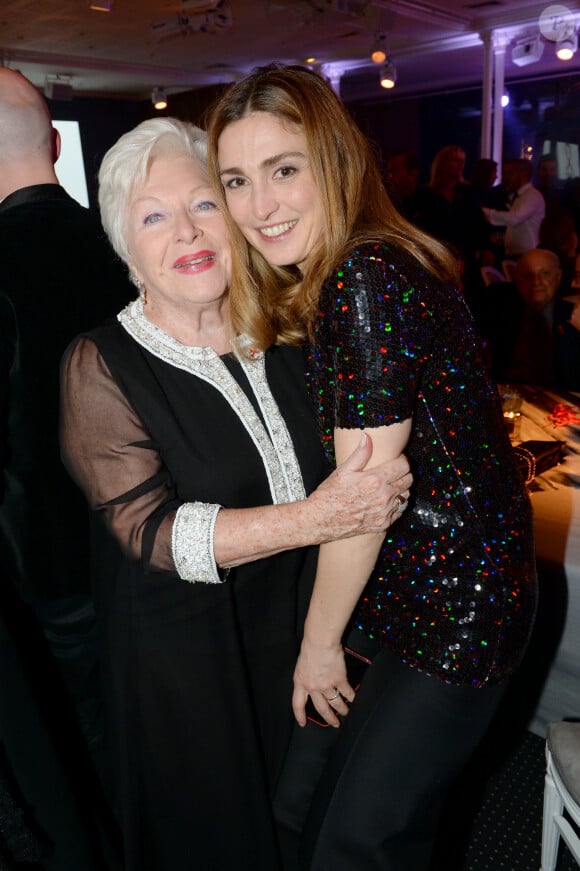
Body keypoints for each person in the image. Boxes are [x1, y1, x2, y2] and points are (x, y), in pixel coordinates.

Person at [208, 63, 538, 871]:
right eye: (237, 181)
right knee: (302, 810)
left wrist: (319, 644)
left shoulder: (362, 276)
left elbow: (360, 504)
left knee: (356, 842)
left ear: (334, 161)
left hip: (454, 604)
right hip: (409, 588)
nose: (260, 208)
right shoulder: (365, 264)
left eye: (284, 170)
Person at [59, 117, 412, 871]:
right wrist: (316, 517)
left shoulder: (286, 330)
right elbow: (152, 532)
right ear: (126, 246)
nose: (186, 230)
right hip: (183, 668)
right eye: (154, 216)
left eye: (204, 204)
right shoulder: (102, 362)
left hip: (294, 629)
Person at [0, 68, 132, 868]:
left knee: (73, 759)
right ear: (53, 145)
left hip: (45, 573)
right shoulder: (127, 241)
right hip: (153, 546)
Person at [481, 247, 580, 390]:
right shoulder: (499, 304)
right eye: (528, 275)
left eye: (545, 273)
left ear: (559, 276)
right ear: (517, 278)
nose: (536, 281)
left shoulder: (572, 314)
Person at [482, 157, 545, 258]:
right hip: (517, 255)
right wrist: (504, 238)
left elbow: (514, 218)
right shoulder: (518, 196)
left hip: (527, 256)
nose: (504, 177)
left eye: (509, 173)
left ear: (523, 174)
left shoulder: (532, 195)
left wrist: (485, 212)